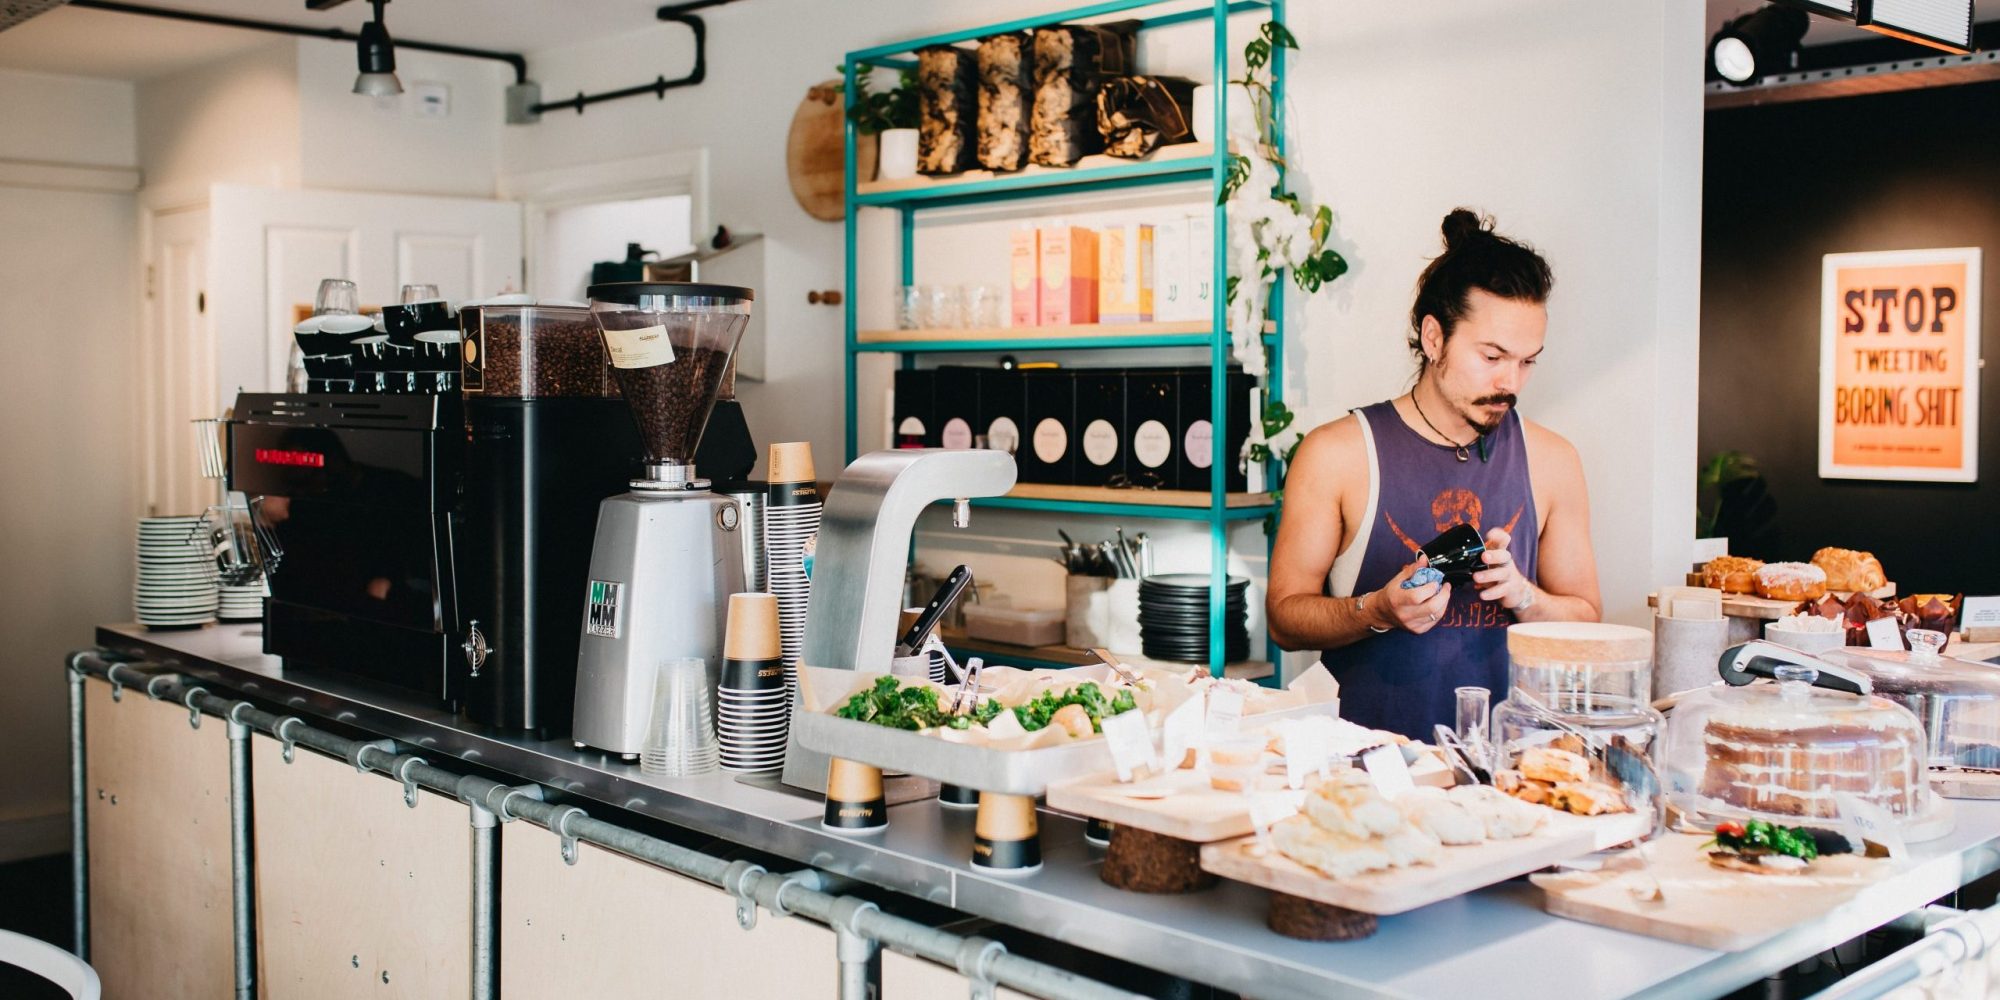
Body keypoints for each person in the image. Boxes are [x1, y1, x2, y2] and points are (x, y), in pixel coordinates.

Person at [1266, 208, 1602, 740]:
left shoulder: (1553, 460)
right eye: (1492, 356)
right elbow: (1285, 620)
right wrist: (1378, 609)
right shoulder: (1337, 454)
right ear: (1433, 337)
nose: (1511, 382)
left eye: (1527, 361)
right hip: (1365, 767)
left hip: (1509, 768)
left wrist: (1523, 596)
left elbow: (1586, 620)